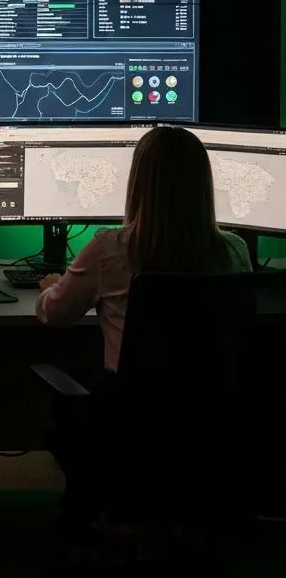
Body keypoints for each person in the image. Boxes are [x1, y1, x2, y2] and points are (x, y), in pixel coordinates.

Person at [34, 125, 251, 546]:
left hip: (127, 418)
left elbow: (56, 316)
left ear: (137, 184)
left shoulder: (110, 248)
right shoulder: (235, 251)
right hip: (208, 423)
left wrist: (49, 289)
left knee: (75, 384)